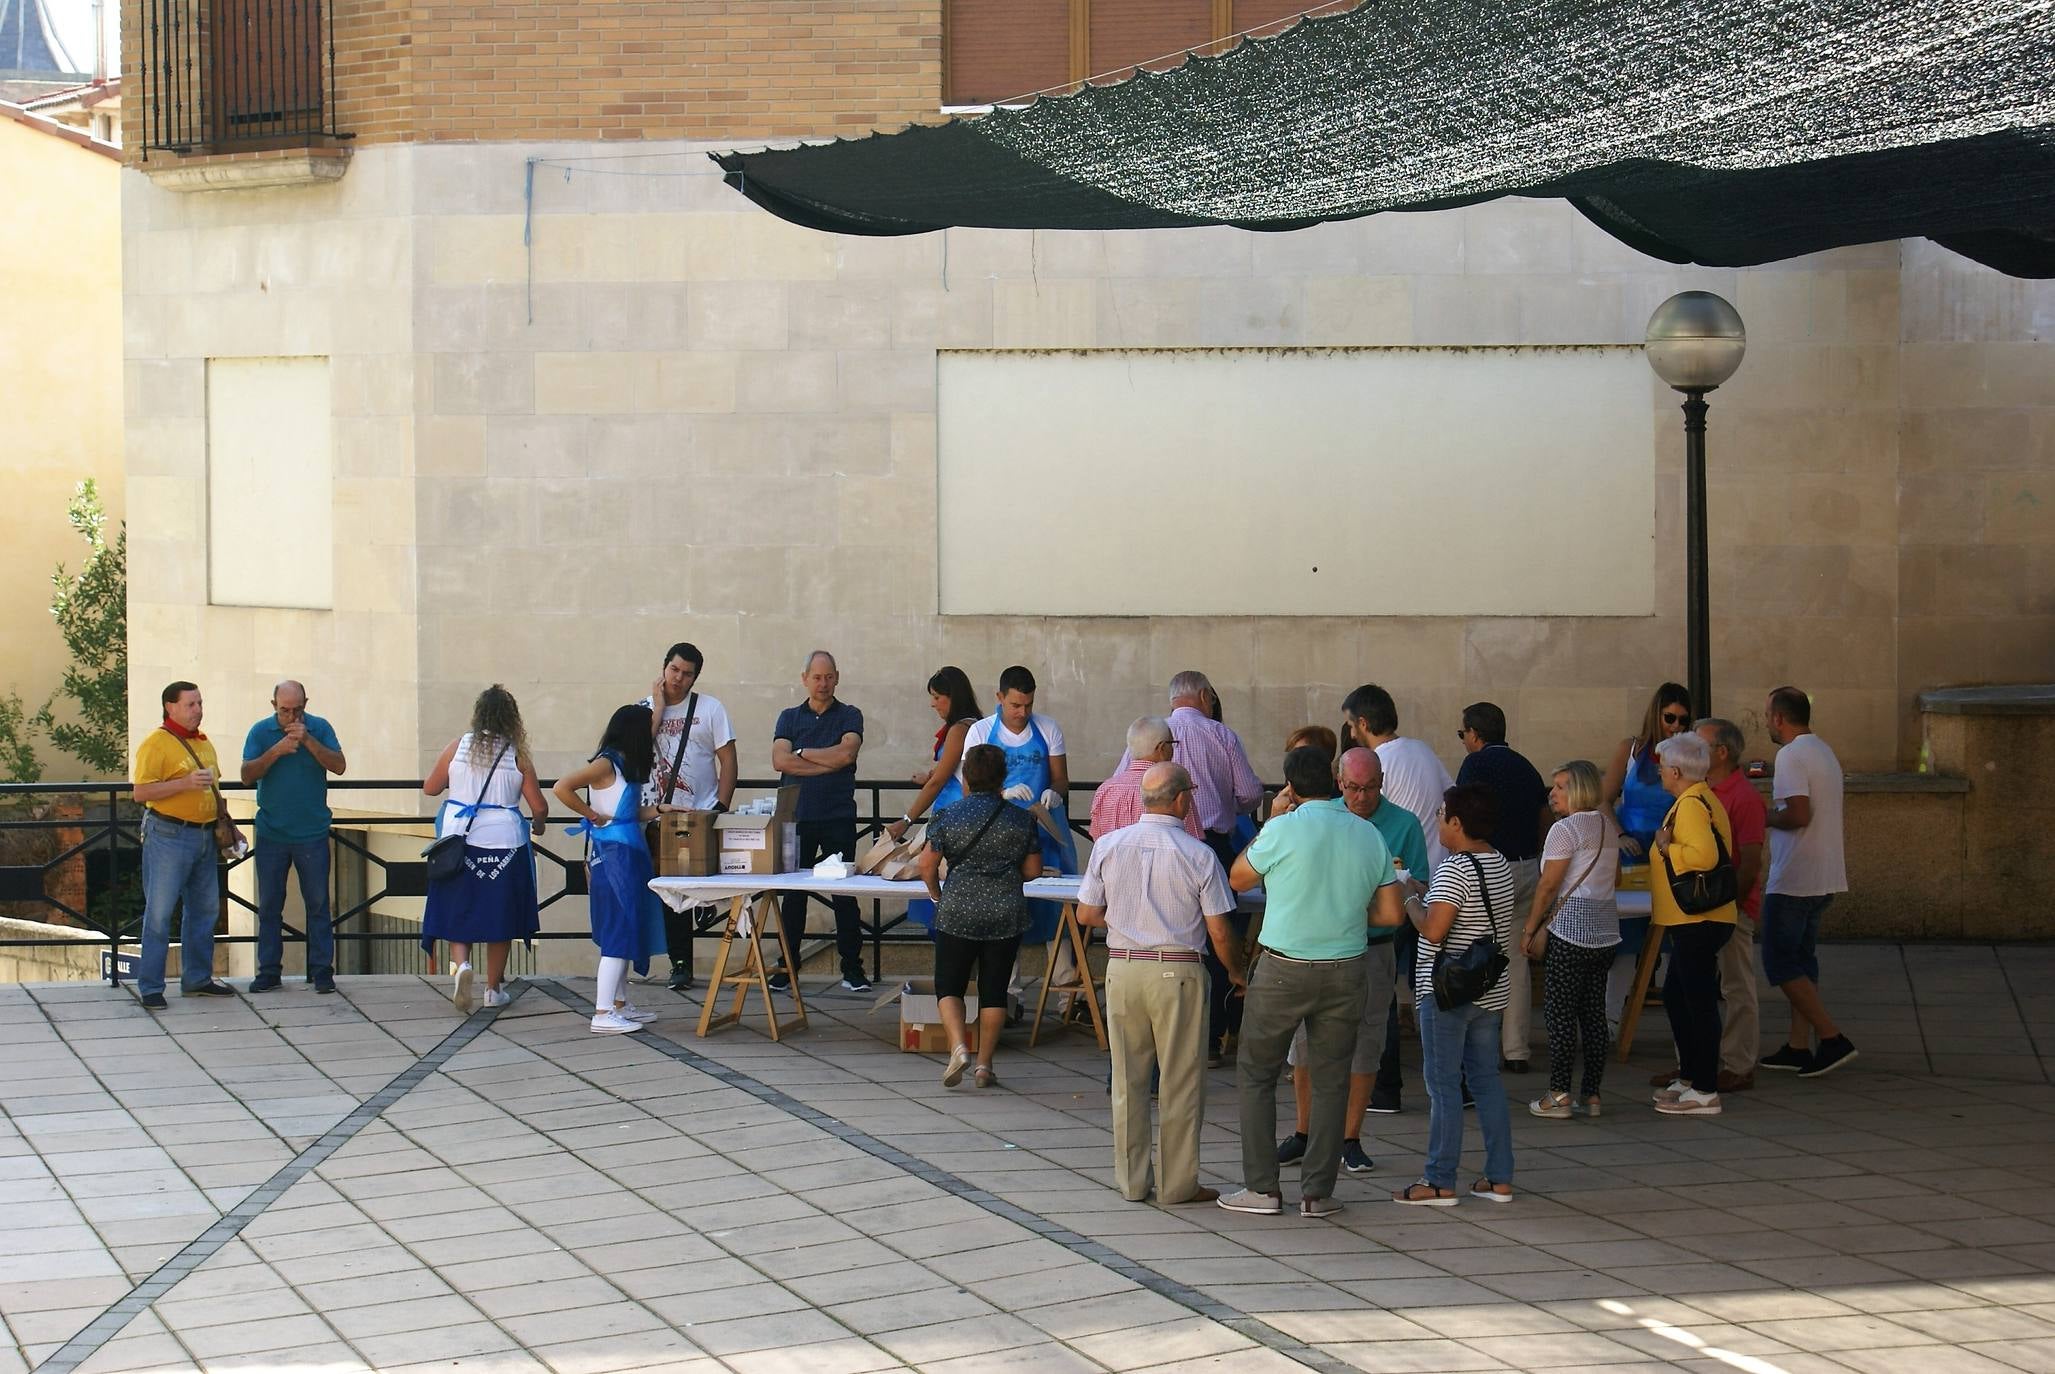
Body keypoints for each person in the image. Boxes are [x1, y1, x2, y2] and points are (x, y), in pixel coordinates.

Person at [1218, 746, 1405, 1219]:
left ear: (1291, 788)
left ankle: (1262, 1188)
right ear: (1336, 782)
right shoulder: (1368, 834)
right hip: (1346, 966)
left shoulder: (1282, 828)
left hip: (1283, 966)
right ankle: (1318, 1193)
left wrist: (1272, 820)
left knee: (1257, 1073)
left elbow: (1238, 879)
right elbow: (1389, 914)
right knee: (1331, 1078)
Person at [1078, 762, 1240, 1206]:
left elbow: (1087, 915)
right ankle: (1178, 1183)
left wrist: (1128, 915)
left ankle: (1131, 1181)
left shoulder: (1108, 845)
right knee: (1181, 1081)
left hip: (1123, 967)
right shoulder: (1199, 854)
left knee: (1128, 1080)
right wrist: (1239, 971)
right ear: (1183, 799)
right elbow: (1220, 930)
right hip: (1178, 970)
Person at [1276, 748, 1428, 1175]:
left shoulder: (1403, 823)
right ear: (1339, 783)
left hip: (1374, 946)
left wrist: (1403, 881)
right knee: (1305, 1042)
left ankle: (1350, 1136)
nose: (1362, 797)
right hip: (1321, 944)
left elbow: (1423, 883)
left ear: (1383, 783)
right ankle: (1305, 1132)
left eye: (1371, 788)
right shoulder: (1321, 817)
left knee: (1366, 1042)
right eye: (1354, 788)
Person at [1393, 784, 1517, 1206]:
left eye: (1441, 813)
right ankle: (1499, 1176)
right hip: (1488, 989)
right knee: (1485, 1081)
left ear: (1457, 823)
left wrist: (1408, 893)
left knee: (1442, 1085)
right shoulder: (1497, 861)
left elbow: (1432, 928)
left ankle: (1439, 1179)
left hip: (1446, 992)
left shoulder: (1455, 868)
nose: (1437, 819)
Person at [1344, 683, 1454, 1115]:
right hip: (1428, 887)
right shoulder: (1424, 752)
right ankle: (1451, 1084)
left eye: (1352, 726)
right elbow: (1450, 798)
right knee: (1427, 992)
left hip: (1391, 896)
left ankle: (1385, 1088)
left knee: (1381, 1000)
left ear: (1364, 724)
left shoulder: (1373, 763)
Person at [917, 744, 1042, 1089]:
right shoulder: (1020, 819)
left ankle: (958, 1046)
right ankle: (985, 1065)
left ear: (966, 779)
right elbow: (1032, 871)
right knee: (994, 990)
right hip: (1004, 912)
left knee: (949, 985)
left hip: (957, 910)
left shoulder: (947, 815)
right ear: (1002, 778)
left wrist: (937, 895)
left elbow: (926, 865)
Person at [422, 686, 549, 1012]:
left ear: (478, 715)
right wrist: (538, 824)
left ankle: (462, 967)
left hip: (458, 841)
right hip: (505, 844)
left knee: (457, 908)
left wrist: (463, 783)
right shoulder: (517, 756)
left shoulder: (457, 747)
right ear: (512, 719)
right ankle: (493, 990)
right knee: (500, 916)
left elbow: (431, 787)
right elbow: (538, 805)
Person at [1758, 686, 1857, 1079]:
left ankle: (1831, 1037)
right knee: (1801, 960)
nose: (1766, 721)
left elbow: (1798, 814)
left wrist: (1763, 816)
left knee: (1779, 962)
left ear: (1779, 718)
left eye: (1767, 715)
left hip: (1795, 877)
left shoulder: (1791, 754)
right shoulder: (1822, 750)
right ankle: (1798, 1046)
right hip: (1824, 875)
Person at [555, 705, 663, 1034]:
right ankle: (602, 1011)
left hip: (626, 851)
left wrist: (660, 809)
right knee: (619, 929)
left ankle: (619, 1003)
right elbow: (562, 787)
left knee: (626, 927)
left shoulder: (621, 764)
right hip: (617, 855)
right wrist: (590, 814)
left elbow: (627, 812)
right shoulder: (606, 763)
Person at [1455, 702, 1550, 1071]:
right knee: (1515, 959)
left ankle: (1477, 1047)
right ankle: (1516, 1050)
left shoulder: (1475, 765)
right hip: (1527, 866)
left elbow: (1464, 815)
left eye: (1463, 734)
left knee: (1474, 952)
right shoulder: (1526, 766)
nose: (1464, 741)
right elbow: (1544, 816)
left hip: (1490, 868)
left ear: (1475, 734)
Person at [1522, 760, 1620, 1119]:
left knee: (1560, 1015)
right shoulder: (1608, 827)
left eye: (1561, 786)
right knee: (1594, 1015)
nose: (1553, 793)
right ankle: (1592, 1094)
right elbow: (1618, 878)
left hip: (1569, 931)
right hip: (1605, 931)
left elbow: (1548, 885)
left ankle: (1559, 1093)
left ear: (1579, 789)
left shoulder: (1566, 830)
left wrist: (1530, 927)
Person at [1648, 732, 1739, 1115]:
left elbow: (1703, 855)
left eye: (1662, 768)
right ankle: (1690, 1076)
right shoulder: (1697, 798)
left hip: (1698, 918)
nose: (1659, 774)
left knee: (1698, 1001)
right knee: (1677, 996)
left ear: (1675, 770)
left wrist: (1669, 848)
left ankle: (1704, 1088)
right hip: (1692, 918)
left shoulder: (1691, 804)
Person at [131, 682, 236, 1009]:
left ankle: (197, 979)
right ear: (170, 707)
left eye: (200, 703)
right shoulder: (156, 744)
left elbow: (214, 789)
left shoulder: (204, 744)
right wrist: (184, 783)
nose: (198, 710)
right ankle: (150, 987)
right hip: (169, 835)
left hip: (205, 834)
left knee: (204, 909)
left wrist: (229, 825)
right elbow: (141, 793)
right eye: (191, 704)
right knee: (160, 913)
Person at [771, 651, 871, 995]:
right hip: (796, 818)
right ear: (804, 679)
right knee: (793, 896)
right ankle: (787, 965)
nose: (823, 683)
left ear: (837, 677)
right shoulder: (788, 717)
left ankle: (852, 968)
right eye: (816, 677)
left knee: (845, 893)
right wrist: (823, 761)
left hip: (837, 816)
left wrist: (802, 754)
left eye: (828, 677)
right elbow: (779, 761)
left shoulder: (850, 715)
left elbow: (847, 754)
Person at [239, 681, 347, 995]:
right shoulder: (260, 732)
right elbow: (246, 775)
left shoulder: (320, 727)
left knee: (318, 905)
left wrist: (309, 741)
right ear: (273, 705)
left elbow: (339, 765)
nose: (291, 716)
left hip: (312, 832)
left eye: (297, 709)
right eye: (285, 710)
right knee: (270, 906)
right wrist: (277, 751)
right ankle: (269, 972)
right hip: (272, 832)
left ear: (305, 704)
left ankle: (322, 972)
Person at [640, 642, 737, 992]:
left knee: (708, 886)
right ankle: (680, 964)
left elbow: (728, 760)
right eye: (674, 670)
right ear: (663, 667)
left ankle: (704, 913)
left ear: (696, 677)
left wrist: (721, 808)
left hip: (701, 814)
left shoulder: (710, 709)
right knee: (671, 892)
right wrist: (657, 708)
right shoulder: (643, 710)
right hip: (661, 816)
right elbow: (634, 756)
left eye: (687, 674)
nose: (679, 679)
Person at [1602, 683, 1694, 1032]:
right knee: (1626, 940)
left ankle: (1680, 1025)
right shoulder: (1632, 748)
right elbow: (1603, 798)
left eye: (1683, 720)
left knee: (1675, 941)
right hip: (1633, 856)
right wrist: (1620, 835)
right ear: (1656, 714)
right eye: (1670, 717)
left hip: (1672, 855)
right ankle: (1610, 1020)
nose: (1676, 726)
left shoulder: (1689, 754)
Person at [962, 665, 1075, 946]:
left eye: (1028, 704)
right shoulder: (980, 731)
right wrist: (1001, 794)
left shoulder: (1048, 728)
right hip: (1001, 831)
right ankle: (1009, 986)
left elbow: (1061, 778)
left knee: (1055, 901)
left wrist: (1054, 792)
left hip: (1045, 828)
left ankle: (1063, 980)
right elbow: (968, 790)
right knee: (1005, 903)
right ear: (999, 697)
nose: (1022, 712)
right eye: (1015, 705)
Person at [1696, 718, 1767, 1092]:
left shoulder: (1743, 797)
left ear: (1721, 753)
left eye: (1700, 744)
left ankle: (1739, 1063)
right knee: (1696, 984)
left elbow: (1752, 860)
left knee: (1736, 985)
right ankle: (1694, 1063)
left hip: (1731, 907)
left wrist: (1733, 907)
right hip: (1702, 906)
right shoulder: (1700, 790)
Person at [889, 666, 983, 934]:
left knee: (941, 893)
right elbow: (954, 770)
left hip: (952, 819)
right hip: (962, 817)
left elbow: (940, 781)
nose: (933, 704)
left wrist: (907, 820)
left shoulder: (960, 730)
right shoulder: (976, 725)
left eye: (937, 697)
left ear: (952, 696)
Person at [1090, 717, 1204, 841]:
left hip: (1117, 859)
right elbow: (1194, 840)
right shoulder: (1174, 786)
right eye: (1172, 744)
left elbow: (1097, 838)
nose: (1173, 750)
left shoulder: (1105, 789)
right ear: (1162, 748)